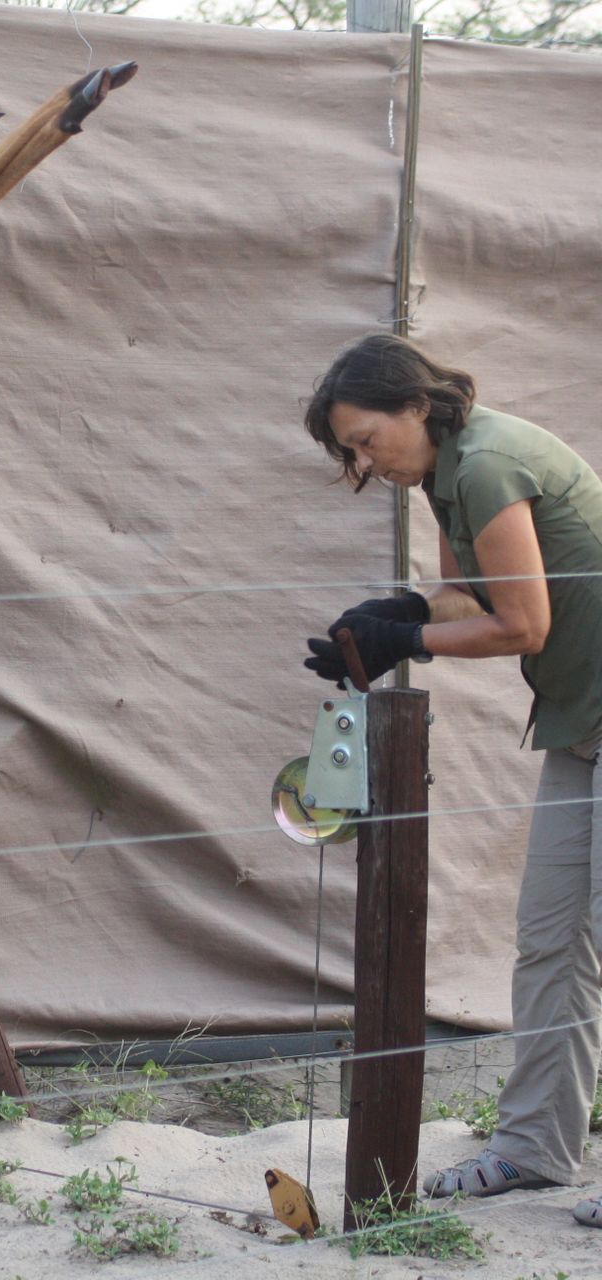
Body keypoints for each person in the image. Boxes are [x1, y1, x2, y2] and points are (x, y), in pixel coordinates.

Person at [302, 332, 602, 1226]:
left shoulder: (488, 463)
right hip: (584, 727)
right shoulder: (444, 471)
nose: (363, 460)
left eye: (366, 439)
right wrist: (393, 614)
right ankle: (534, 1148)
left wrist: (409, 640)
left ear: (415, 407)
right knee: (551, 940)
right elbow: (467, 597)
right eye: (349, 450)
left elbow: (523, 626)